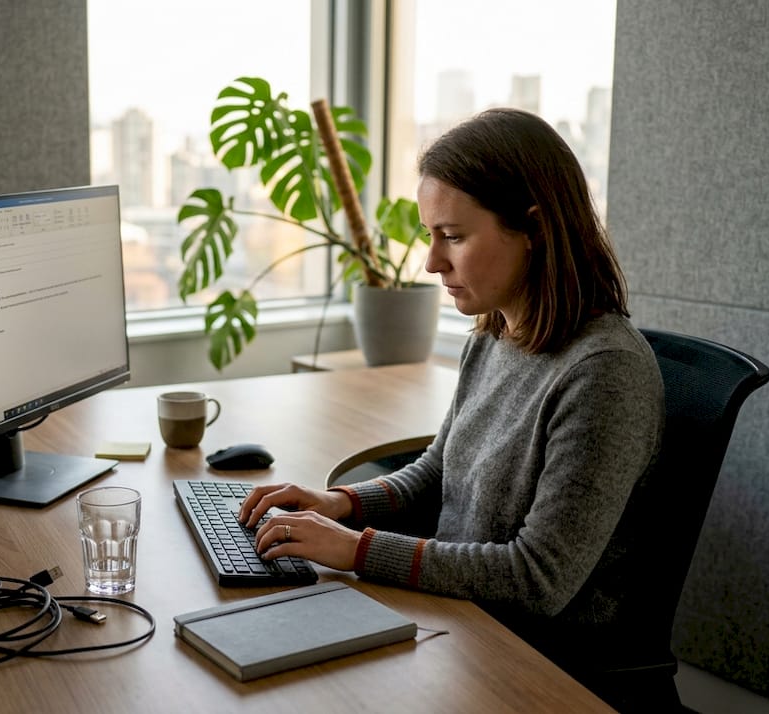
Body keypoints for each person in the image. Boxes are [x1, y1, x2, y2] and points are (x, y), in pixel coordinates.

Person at [238, 108, 671, 712]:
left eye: (455, 236)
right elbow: (440, 470)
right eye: (429, 235)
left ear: (535, 229)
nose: (431, 263)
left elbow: (536, 579)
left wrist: (356, 549)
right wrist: (341, 504)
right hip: (455, 622)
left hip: (533, 664)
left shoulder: (604, 372)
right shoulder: (493, 334)